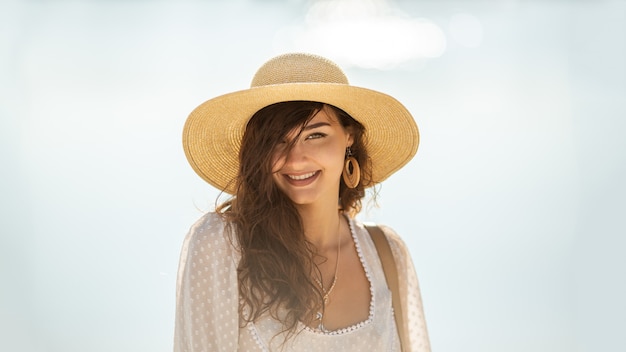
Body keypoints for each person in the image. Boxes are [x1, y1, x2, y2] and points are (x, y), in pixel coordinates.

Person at [175, 53, 430, 351]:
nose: (295, 159)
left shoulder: (386, 254)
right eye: (277, 140)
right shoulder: (222, 244)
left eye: (316, 135)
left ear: (349, 136)